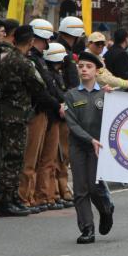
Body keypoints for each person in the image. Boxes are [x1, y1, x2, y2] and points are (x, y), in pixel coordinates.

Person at [63, 51, 114, 244]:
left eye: (89, 66)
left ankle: (105, 209)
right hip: (79, 145)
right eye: (81, 66)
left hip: (98, 147)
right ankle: (87, 228)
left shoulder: (105, 94)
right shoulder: (71, 95)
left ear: (97, 71)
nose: (84, 69)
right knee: (80, 189)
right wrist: (88, 139)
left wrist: (113, 97)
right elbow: (72, 123)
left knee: (95, 187)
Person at [0, 25, 47, 217]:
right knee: (14, 158)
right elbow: (39, 84)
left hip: (7, 110)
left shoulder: (6, 59)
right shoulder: (24, 63)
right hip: (17, 113)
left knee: (14, 157)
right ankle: (7, 200)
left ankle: (13, 197)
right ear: (31, 41)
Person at [21, 19, 65, 212]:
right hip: (38, 110)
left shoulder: (40, 60)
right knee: (31, 159)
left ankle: (42, 196)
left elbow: (51, 86)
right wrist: (58, 105)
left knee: (47, 160)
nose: (46, 44)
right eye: (44, 40)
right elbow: (41, 90)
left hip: (49, 112)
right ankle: (26, 197)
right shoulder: (31, 59)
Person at [44, 42, 75, 208]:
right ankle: (53, 192)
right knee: (54, 157)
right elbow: (56, 94)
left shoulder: (57, 73)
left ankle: (61, 190)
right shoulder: (51, 75)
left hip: (61, 116)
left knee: (63, 156)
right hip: (54, 116)